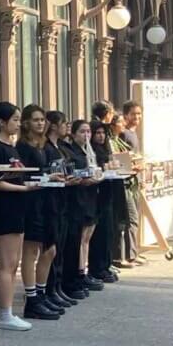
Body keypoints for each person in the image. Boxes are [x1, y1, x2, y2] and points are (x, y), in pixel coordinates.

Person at [0, 102, 41, 331]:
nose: (18, 123)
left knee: (14, 263)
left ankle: (9, 312)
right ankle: (5, 313)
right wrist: (24, 189)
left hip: (17, 207)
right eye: (15, 119)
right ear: (2, 122)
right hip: (4, 208)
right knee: (7, 263)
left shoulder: (12, 146)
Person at [15, 104, 66, 321]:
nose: (40, 123)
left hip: (48, 200)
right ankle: (32, 297)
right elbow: (25, 175)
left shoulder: (43, 145)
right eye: (35, 120)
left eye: (42, 120)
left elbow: (45, 170)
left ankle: (42, 292)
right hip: (31, 202)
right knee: (31, 250)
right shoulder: (23, 146)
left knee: (50, 249)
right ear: (26, 122)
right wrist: (48, 177)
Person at [45, 111, 85, 302]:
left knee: (62, 247)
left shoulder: (61, 147)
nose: (66, 127)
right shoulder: (47, 147)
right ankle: (51, 288)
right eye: (63, 123)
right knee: (54, 248)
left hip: (66, 200)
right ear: (53, 126)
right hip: (53, 201)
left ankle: (59, 286)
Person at [61, 119, 105, 294]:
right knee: (81, 237)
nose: (86, 135)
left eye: (88, 132)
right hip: (79, 197)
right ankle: (79, 273)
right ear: (73, 134)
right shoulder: (71, 151)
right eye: (82, 132)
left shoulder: (90, 150)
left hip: (91, 194)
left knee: (87, 237)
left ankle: (83, 270)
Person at [88, 120, 120, 283]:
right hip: (97, 196)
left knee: (108, 231)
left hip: (108, 194)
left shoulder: (105, 149)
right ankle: (97, 267)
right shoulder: (91, 151)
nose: (100, 136)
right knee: (99, 234)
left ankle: (106, 264)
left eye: (103, 133)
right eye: (97, 133)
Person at [109, 116, 143, 264]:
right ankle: (128, 255)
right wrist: (131, 167)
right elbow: (118, 162)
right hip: (123, 182)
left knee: (132, 219)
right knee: (130, 219)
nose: (123, 124)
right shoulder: (111, 142)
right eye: (120, 122)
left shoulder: (119, 140)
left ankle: (131, 253)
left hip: (131, 180)